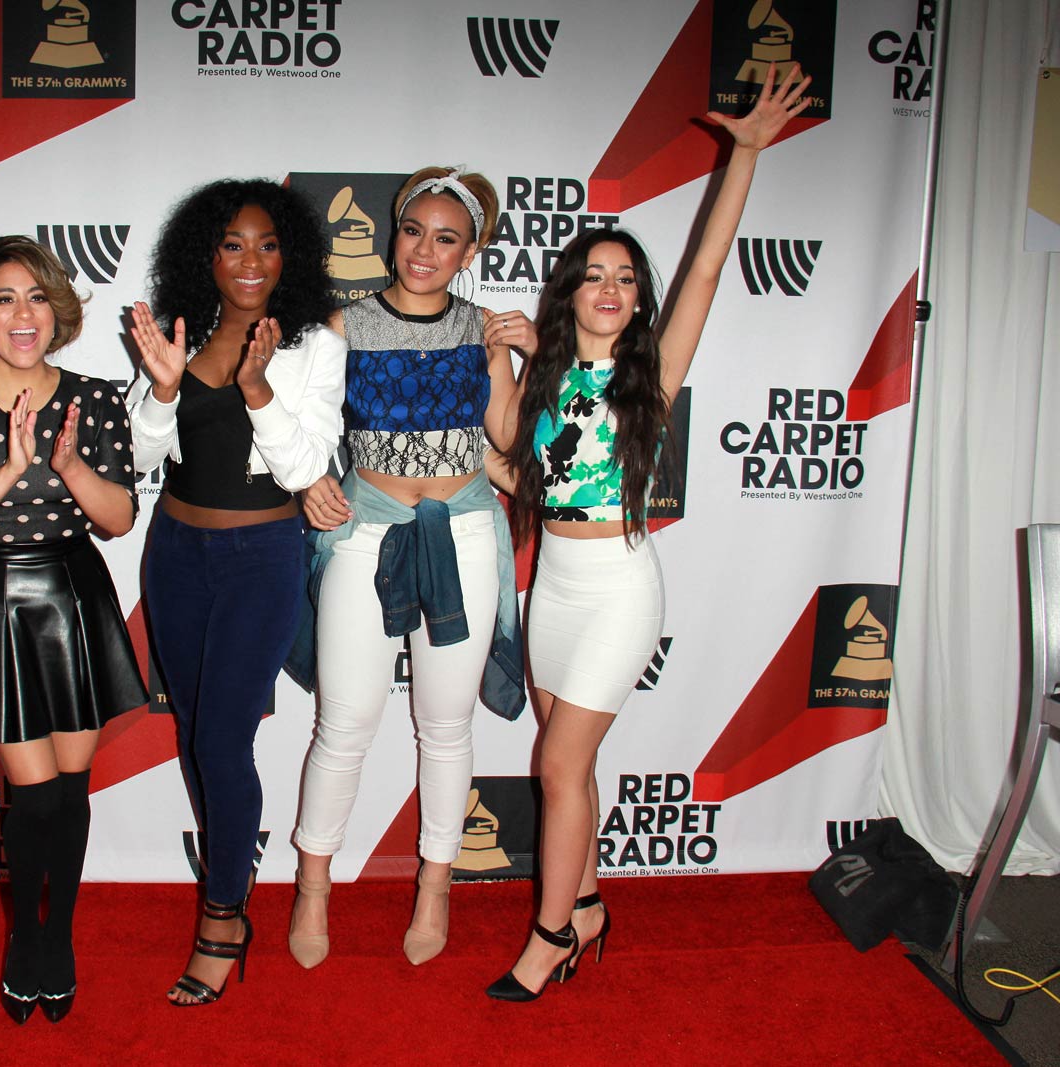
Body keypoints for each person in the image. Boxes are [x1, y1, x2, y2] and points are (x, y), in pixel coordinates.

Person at [489, 64, 813, 1002]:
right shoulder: (542, 376)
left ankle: (549, 935)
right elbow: (513, 460)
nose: (610, 286)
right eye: (593, 274)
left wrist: (742, 155)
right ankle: (586, 900)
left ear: (638, 301)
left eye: (626, 278)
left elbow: (706, 266)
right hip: (550, 583)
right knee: (567, 765)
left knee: (558, 766)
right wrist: (495, 362)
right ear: (570, 293)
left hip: (622, 588)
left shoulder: (652, 376)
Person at [285, 167, 537, 969]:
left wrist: (527, 359)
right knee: (345, 721)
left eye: (446, 238)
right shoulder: (344, 325)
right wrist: (311, 482)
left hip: (462, 532)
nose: (424, 250)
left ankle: (435, 884)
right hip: (367, 530)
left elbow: (507, 434)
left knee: (446, 725)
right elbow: (304, 426)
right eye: (413, 231)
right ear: (394, 233)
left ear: (471, 251)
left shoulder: (482, 331)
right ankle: (312, 888)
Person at [0, 236, 146, 1025]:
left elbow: (118, 518)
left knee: (71, 791)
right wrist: (9, 469)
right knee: (33, 792)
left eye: (37, 296)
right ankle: (23, 939)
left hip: (73, 592)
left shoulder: (96, 397)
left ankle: (59, 939)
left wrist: (71, 467)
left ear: (57, 310)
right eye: (5, 297)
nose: (23, 314)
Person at [127, 179, 344, 1006]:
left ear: (289, 254)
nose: (249, 261)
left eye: (266, 244)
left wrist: (257, 390)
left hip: (261, 555)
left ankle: (225, 915)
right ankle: (226, 887)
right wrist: (161, 386)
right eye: (230, 244)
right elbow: (143, 461)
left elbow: (306, 465)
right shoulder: (181, 334)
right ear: (204, 256)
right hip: (176, 552)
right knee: (193, 735)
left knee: (222, 744)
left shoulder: (314, 346)